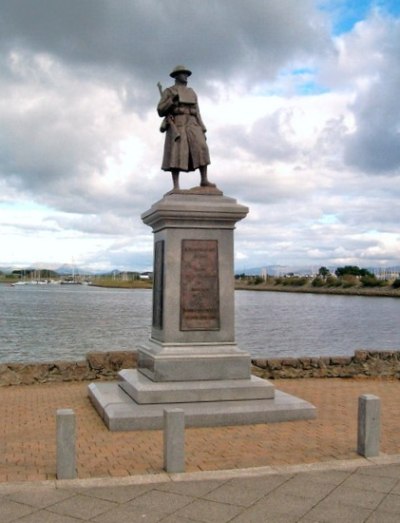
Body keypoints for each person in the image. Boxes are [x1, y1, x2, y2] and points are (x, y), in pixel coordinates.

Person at [157, 65, 215, 190]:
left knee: (202, 148)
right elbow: (160, 110)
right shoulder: (169, 91)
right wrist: (172, 100)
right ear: (177, 76)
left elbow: (198, 111)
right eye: (184, 74)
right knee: (176, 152)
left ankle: (204, 180)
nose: (186, 77)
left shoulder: (192, 92)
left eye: (187, 74)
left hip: (193, 122)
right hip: (178, 122)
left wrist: (202, 128)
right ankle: (176, 186)